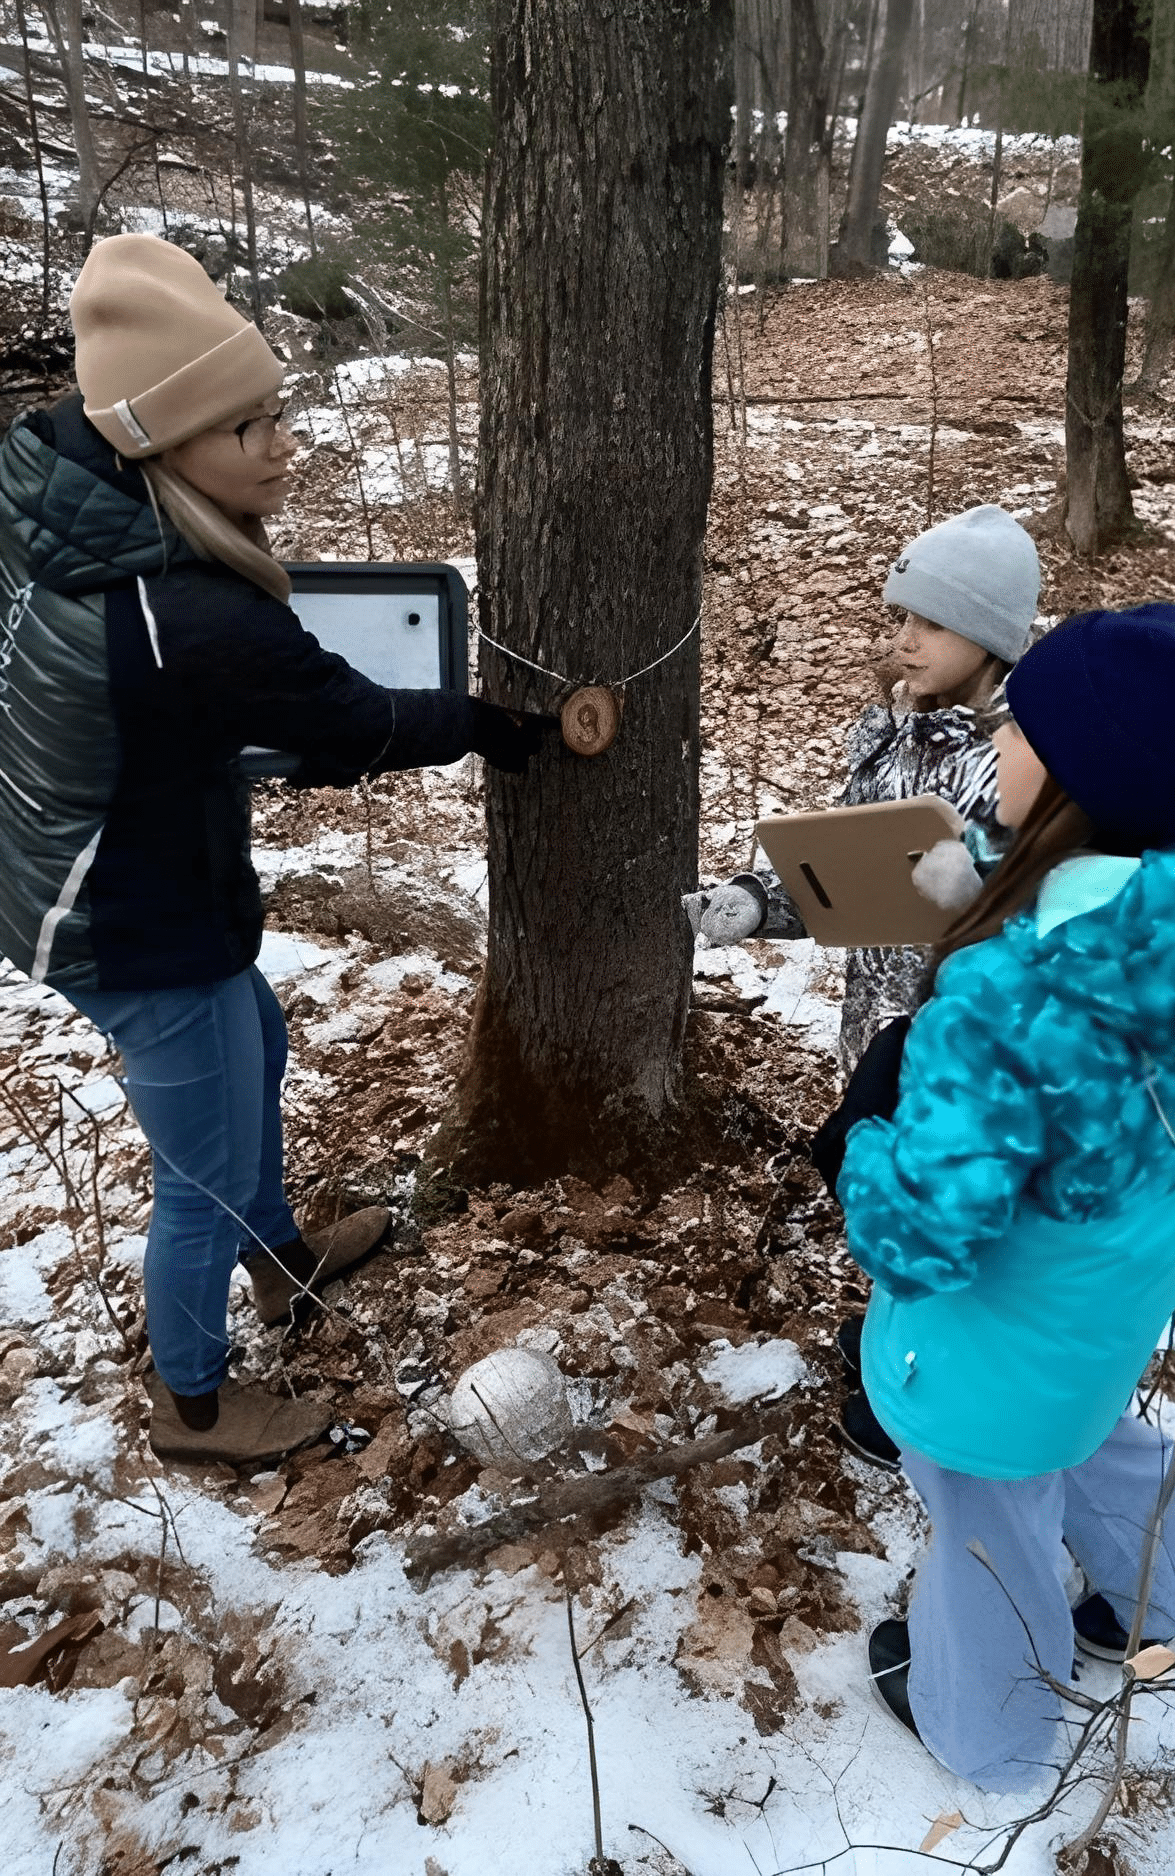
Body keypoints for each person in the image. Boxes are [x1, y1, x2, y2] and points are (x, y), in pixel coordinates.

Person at [0, 234, 554, 1465]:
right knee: (192, 1174)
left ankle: (282, 1258)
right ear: (165, 438)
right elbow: (350, 716)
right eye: (250, 426)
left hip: (103, 862)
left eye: (278, 414)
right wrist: (487, 727)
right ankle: (194, 1405)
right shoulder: (182, 613)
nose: (284, 445)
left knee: (263, 1031)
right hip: (128, 914)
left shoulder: (59, 483)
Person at [833, 604, 1175, 1793]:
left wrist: (859, 1139)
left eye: (1014, 728)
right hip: (1116, 1289)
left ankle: (985, 1727)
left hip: (987, 1344)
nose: (993, 745)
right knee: (1094, 1426)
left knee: (987, 1522)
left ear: (1071, 770)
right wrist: (982, 881)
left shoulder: (1001, 1000)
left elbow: (923, 1234)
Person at [685, 506, 1040, 1467]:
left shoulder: (1027, 755)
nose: (905, 639)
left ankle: (918, 1402)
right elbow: (842, 880)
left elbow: (1048, 916)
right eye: (901, 616)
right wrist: (759, 903)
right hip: (874, 1028)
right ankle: (896, 1348)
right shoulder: (886, 735)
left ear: (993, 636)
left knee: (947, 1208)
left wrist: (979, 906)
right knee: (881, 1197)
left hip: (963, 1040)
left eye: (931, 620)